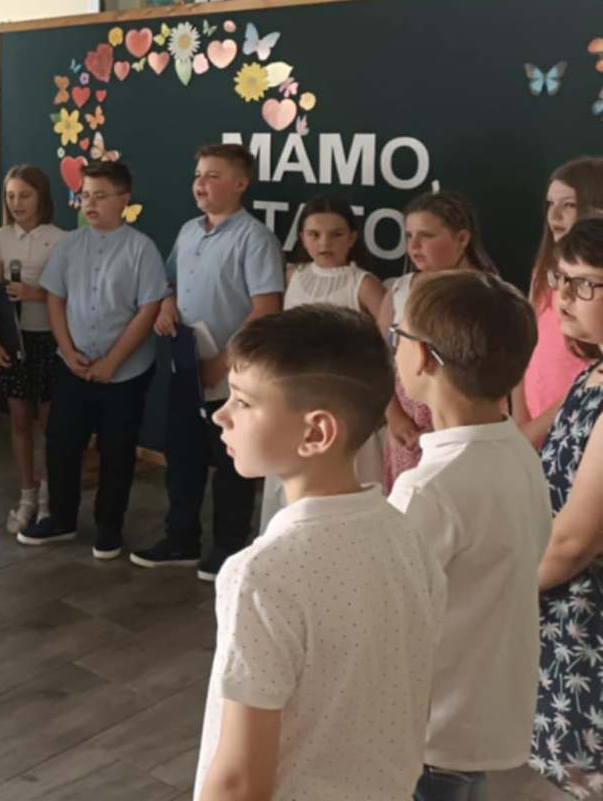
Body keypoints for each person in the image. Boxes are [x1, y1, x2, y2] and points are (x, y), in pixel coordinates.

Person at [194, 307, 444, 801]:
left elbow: (241, 782)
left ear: (316, 433)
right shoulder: (407, 537)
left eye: (243, 401)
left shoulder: (261, 575)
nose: (221, 414)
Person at [387, 272, 548, 801]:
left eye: (397, 335)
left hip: (428, 732)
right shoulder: (517, 451)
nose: (394, 347)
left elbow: (383, 618)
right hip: (482, 717)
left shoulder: (427, 488)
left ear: (423, 357)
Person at [136, 143, 283, 580]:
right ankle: (180, 538)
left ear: (240, 183)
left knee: (232, 465)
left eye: (213, 176)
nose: (201, 184)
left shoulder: (255, 239)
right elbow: (169, 282)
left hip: (233, 374)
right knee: (182, 457)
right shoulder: (188, 232)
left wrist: (223, 362)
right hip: (187, 367)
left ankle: (229, 548)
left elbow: (266, 309)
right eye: (198, 175)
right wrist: (166, 304)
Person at [22, 161, 166, 558]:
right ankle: (61, 518)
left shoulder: (141, 248)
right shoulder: (69, 245)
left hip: (126, 371)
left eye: (100, 196)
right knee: (62, 443)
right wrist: (68, 351)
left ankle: (109, 526)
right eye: (84, 196)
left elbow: (148, 309)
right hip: (73, 365)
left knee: (117, 450)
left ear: (123, 200)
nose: (90, 204)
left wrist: (113, 362)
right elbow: (55, 298)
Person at [525, 217, 603, 795]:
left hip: (588, 628)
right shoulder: (592, 373)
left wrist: (493, 594)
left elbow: (576, 541)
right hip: (562, 614)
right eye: (561, 279)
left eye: (584, 283)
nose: (564, 297)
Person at [259, 196, 384, 531]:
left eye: (335, 234)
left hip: (344, 402)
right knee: (293, 485)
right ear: (302, 237)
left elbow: (388, 345)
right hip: (293, 396)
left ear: (352, 237)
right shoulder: (292, 276)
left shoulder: (363, 283)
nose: (324, 243)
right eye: (314, 235)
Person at [379, 191, 499, 488]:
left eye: (427, 236)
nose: (414, 246)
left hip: (463, 430)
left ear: (462, 238)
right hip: (405, 430)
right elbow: (377, 357)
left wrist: (448, 427)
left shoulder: (488, 294)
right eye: (409, 236)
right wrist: (394, 416)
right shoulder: (400, 289)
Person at [0, 164, 67, 533]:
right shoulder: (0, 239)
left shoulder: (62, 239)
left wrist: (35, 293)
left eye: (24, 195)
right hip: (14, 338)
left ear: (41, 197)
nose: (16, 203)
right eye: (10, 196)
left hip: (50, 337)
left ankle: (49, 494)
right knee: (19, 420)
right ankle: (26, 494)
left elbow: (69, 293)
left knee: (49, 422)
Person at [515, 158, 603, 425]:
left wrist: (535, 431)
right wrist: (521, 425)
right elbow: (526, 347)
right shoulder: (541, 273)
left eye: (569, 205)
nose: (554, 216)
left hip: (578, 422)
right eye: (550, 204)